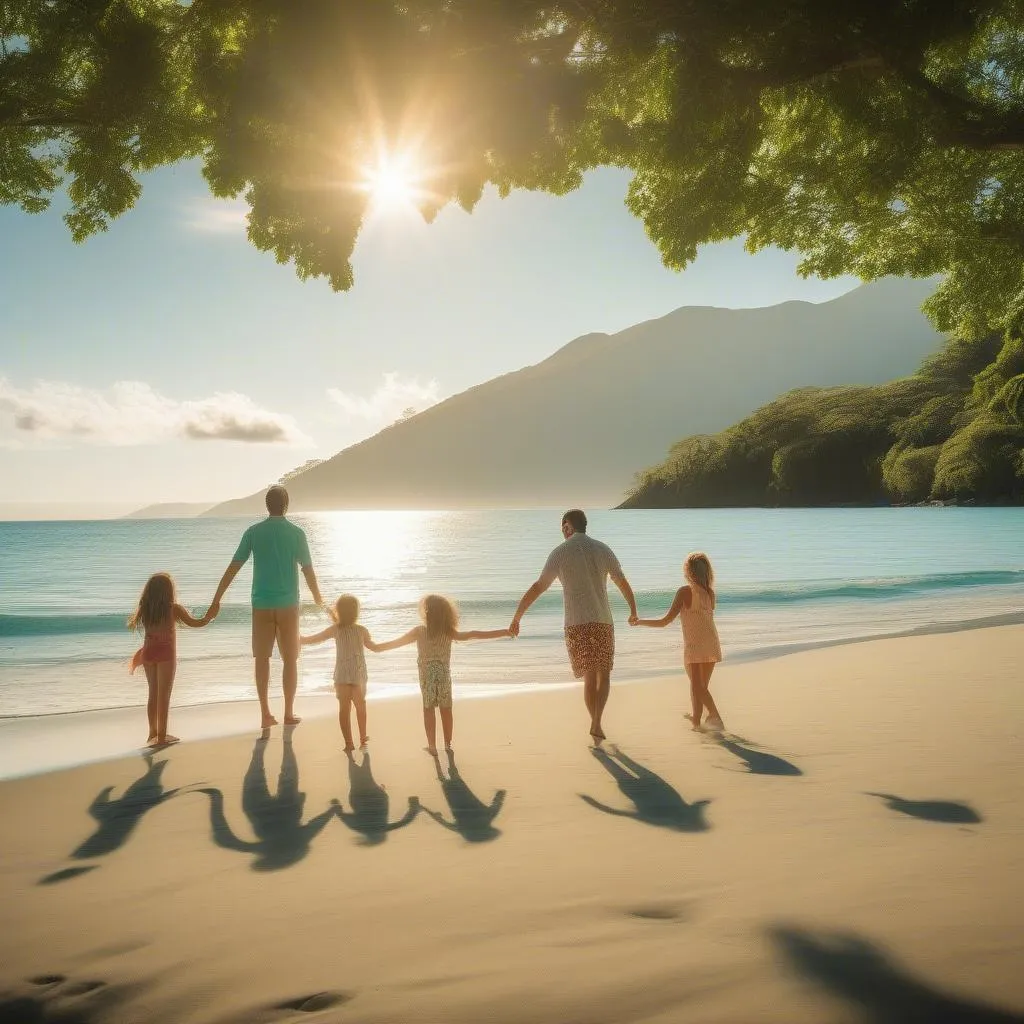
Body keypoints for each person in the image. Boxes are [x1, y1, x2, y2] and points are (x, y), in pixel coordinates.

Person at [510, 509, 636, 743]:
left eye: (562, 527)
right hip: (602, 619)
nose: (562, 532)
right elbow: (621, 580)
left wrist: (517, 616)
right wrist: (633, 610)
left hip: (576, 623)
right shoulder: (603, 549)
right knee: (604, 675)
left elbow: (539, 586)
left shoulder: (559, 553)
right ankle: (597, 722)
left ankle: (596, 724)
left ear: (568, 526)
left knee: (589, 677)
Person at [208, 485, 325, 729]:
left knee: (261, 659)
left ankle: (265, 713)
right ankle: (289, 712)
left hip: (261, 604)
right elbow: (308, 570)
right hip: (287, 605)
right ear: (286, 504)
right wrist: (318, 598)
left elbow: (234, 566)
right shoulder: (296, 534)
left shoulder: (253, 532)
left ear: (266, 505)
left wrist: (217, 598)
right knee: (290, 660)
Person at [375, 595, 510, 755]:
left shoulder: (419, 631)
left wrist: (376, 648)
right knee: (446, 709)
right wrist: (505, 632)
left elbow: (396, 643)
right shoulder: (448, 631)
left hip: (426, 676)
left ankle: (432, 746)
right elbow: (473, 634)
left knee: (428, 708)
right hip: (444, 674)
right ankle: (447, 744)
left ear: (427, 612)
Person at [633, 551, 723, 731]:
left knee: (698, 687)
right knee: (700, 687)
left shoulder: (684, 592)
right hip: (711, 643)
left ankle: (715, 716)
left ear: (689, 572)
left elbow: (665, 621)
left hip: (695, 645)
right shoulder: (710, 594)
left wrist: (640, 621)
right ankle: (697, 722)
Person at [128, 572, 214, 747]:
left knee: (153, 694)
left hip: (148, 653)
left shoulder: (145, 608)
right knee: (164, 696)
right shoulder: (174, 609)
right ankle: (161, 737)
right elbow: (196, 623)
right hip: (165, 654)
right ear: (168, 591)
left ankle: (152, 732)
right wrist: (209, 616)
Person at [300, 594, 386, 751]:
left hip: (342, 675)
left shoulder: (336, 629)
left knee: (344, 709)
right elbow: (373, 647)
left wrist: (299, 639)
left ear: (338, 611)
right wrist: (388, 646)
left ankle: (349, 743)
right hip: (358, 674)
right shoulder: (362, 630)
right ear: (356, 612)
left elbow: (314, 639)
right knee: (361, 705)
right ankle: (362, 737)